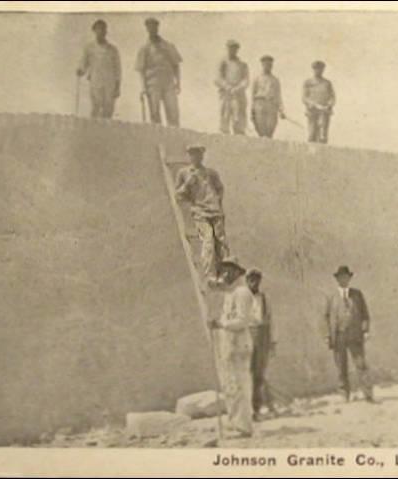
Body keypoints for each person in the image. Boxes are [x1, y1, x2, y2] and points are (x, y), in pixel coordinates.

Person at [208, 256, 254, 438]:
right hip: (228, 344)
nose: (224, 273)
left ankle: (243, 426)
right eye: (223, 269)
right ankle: (235, 422)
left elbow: (242, 321)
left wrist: (220, 324)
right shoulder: (230, 293)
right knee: (230, 384)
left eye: (228, 270)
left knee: (239, 386)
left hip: (239, 345)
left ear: (236, 272)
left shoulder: (243, 293)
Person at [174, 145, 230, 283]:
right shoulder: (184, 173)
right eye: (192, 154)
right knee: (208, 240)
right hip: (200, 213)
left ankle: (224, 274)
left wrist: (217, 201)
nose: (196, 157)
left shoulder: (211, 173)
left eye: (198, 154)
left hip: (215, 211)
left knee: (221, 242)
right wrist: (187, 185)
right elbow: (178, 195)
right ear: (189, 156)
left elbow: (220, 188)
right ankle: (209, 274)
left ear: (202, 155)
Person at [322, 266, 375, 402]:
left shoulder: (357, 294)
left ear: (349, 278)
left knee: (361, 364)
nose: (343, 279)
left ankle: (368, 394)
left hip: (355, 335)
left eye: (346, 277)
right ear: (337, 279)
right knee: (341, 366)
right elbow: (325, 317)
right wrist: (327, 336)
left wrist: (366, 330)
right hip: (338, 335)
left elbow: (365, 314)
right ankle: (344, 394)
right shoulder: (331, 297)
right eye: (340, 277)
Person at [135, 17, 182, 126]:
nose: (152, 29)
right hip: (152, 84)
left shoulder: (168, 45)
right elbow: (141, 70)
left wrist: (178, 83)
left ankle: (174, 138)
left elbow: (176, 65)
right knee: (155, 114)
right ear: (146, 29)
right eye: (149, 27)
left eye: (154, 26)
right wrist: (143, 87)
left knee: (173, 113)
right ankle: (157, 140)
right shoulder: (144, 48)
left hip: (168, 83)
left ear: (157, 27)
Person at [246, 268, 277, 420]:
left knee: (259, 374)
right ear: (247, 281)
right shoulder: (242, 299)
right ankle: (250, 408)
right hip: (247, 337)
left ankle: (257, 408)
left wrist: (272, 342)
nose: (254, 282)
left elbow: (270, 320)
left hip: (263, 337)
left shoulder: (265, 298)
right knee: (248, 374)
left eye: (257, 279)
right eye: (251, 279)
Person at [76, 19, 121, 118]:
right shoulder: (89, 47)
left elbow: (118, 69)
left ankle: (106, 131)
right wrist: (81, 70)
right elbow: (84, 63)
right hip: (95, 80)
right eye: (98, 29)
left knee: (108, 108)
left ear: (106, 32)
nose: (101, 32)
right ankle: (93, 130)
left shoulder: (112, 49)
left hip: (110, 82)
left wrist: (117, 86)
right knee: (96, 106)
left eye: (103, 29)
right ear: (94, 31)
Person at [215, 39, 250, 135]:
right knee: (224, 117)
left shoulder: (243, 65)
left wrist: (238, 88)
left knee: (239, 119)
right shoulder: (223, 63)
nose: (232, 50)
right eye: (230, 48)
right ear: (227, 48)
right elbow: (218, 78)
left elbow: (246, 80)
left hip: (239, 94)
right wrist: (227, 87)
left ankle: (239, 136)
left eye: (235, 48)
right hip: (226, 94)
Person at [250, 55, 285, 138]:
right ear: (262, 65)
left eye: (270, 65)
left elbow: (278, 95)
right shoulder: (257, 78)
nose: (268, 67)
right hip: (260, 104)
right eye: (266, 64)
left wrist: (281, 109)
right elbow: (252, 95)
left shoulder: (275, 80)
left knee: (271, 127)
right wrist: (252, 109)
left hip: (271, 105)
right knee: (260, 127)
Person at [302, 61, 335, 143]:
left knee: (323, 134)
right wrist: (313, 104)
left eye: (321, 69)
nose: (318, 71)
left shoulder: (327, 83)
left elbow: (332, 96)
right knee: (312, 133)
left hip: (324, 111)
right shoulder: (308, 82)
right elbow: (304, 97)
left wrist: (329, 104)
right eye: (316, 69)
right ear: (313, 70)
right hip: (312, 111)